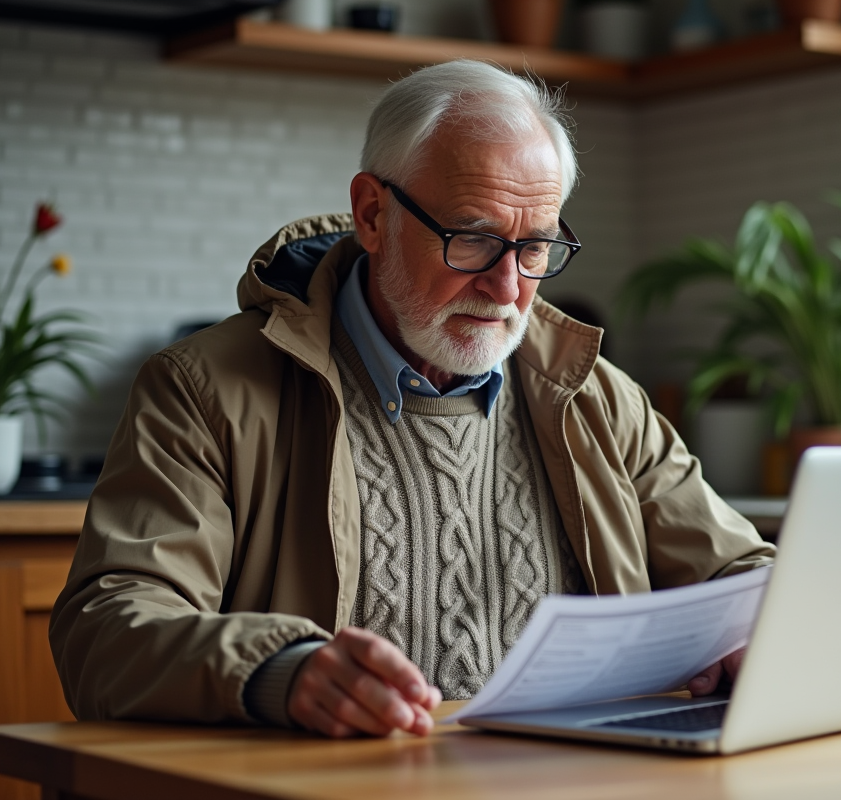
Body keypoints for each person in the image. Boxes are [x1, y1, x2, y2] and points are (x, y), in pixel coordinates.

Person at [49, 60, 774, 739]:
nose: (507, 288)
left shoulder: (596, 398)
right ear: (372, 214)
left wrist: (758, 631)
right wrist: (276, 670)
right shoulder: (204, 389)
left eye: (535, 247)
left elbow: (744, 576)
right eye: (474, 239)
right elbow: (105, 629)